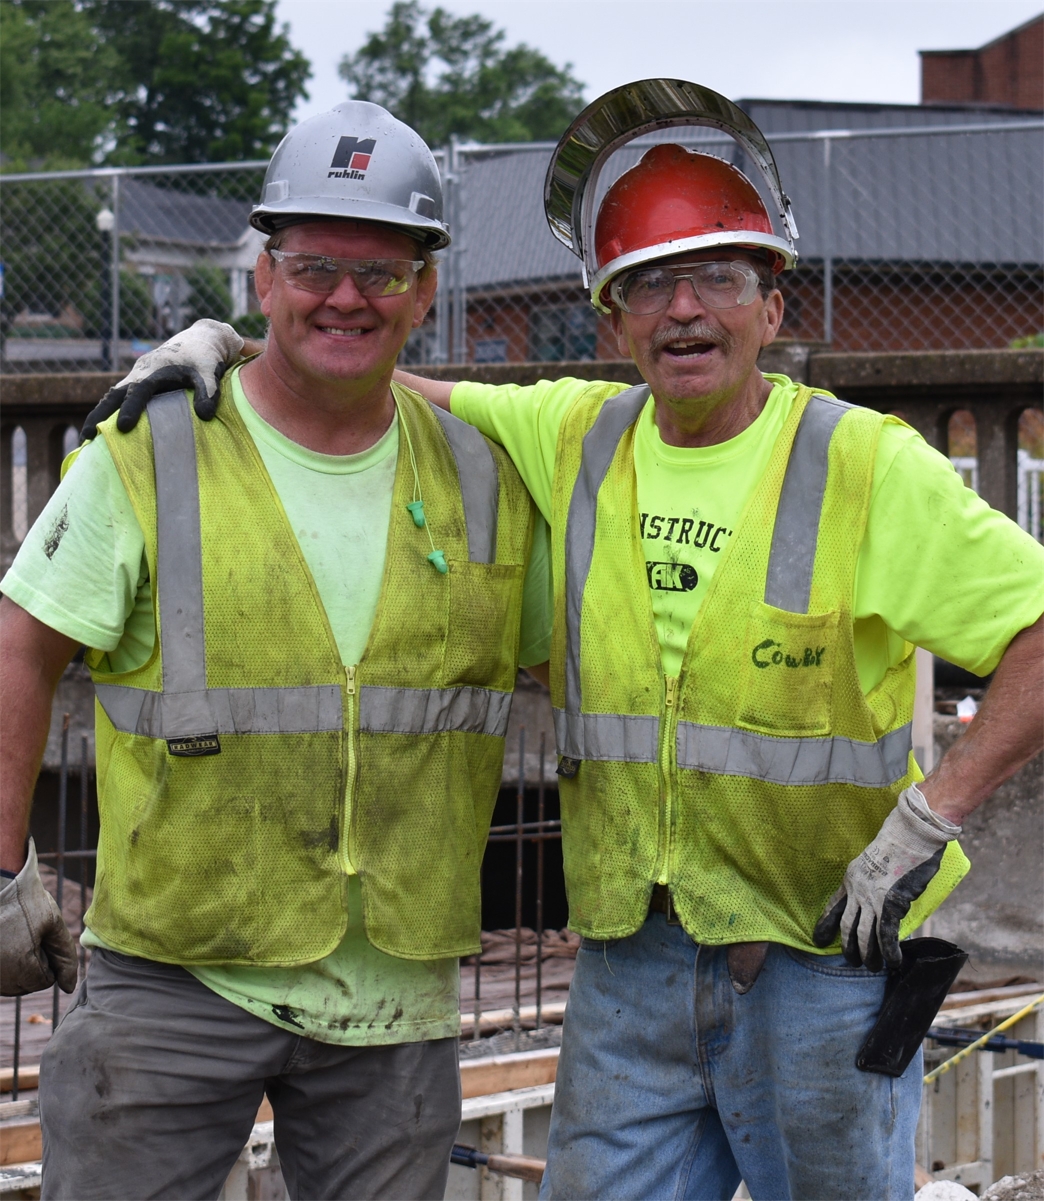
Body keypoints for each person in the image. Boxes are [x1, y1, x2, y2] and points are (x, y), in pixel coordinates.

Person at [84, 81, 1044, 1200]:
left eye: (720, 278)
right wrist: (241, 347)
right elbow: (373, 362)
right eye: (649, 284)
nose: (685, 310)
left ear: (772, 305)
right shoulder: (575, 434)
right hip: (633, 964)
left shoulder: (863, 466)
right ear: (611, 316)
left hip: (819, 962)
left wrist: (934, 815)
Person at [0, 100, 552, 1201]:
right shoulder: (151, 445)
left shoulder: (486, 475)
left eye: (381, 271)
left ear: (426, 289)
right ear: (262, 277)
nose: (345, 295)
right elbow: (20, 648)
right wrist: (2, 872)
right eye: (312, 263)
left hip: (392, 994)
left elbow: (585, 674)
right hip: (174, 975)